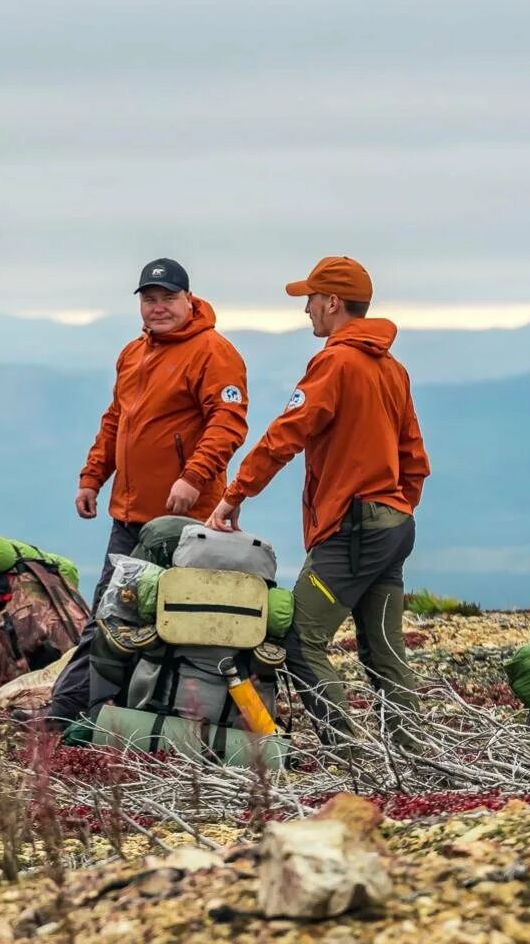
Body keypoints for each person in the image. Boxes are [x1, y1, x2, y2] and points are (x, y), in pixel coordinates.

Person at [207, 256, 430, 747]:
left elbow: (287, 433)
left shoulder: (336, 362)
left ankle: (349, 754)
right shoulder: (391, 366)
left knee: (299, 641)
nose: (305, 308)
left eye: (310, 299)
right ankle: (412, 757)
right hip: (392, 525)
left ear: (332, 303)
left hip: (354, 527)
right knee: (385, 652)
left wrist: (235, 494)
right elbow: (413, 453)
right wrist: (399, 504)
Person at [47, 258, 249, 725]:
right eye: (149, 299)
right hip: (128, 516)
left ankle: (175, 719)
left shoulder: (213, 352)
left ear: (189, 299)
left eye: (167, 298)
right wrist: (92, 476)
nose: (157, 308)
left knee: (180, 624)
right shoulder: (133, 353)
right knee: (108, 622)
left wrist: (193, 477)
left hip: (186, 524)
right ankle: (74, 717)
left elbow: (228, 423)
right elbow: (115, 420)